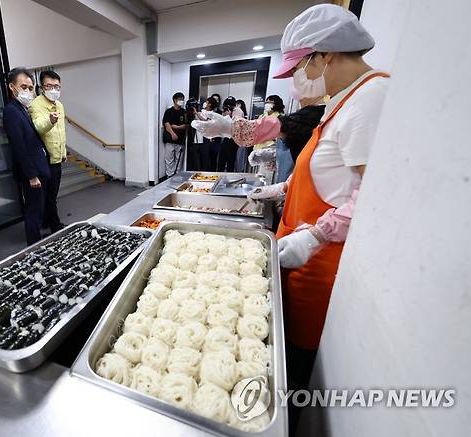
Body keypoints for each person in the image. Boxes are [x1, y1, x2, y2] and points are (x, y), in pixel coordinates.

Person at [193, 4, 389, 427]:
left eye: (298, 68)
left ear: (324, 56)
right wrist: (280, 188)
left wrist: (315, 237)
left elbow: (372, 197)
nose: (296, 83)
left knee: (295, 364)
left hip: (319, 265)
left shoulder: (370, 100)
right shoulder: (343, 100)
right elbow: (328, 176)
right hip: (297, 251)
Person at [2, 68, 51, 245]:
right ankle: (34, 245)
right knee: (33, 211)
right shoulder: (11, 111)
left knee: (38, 208)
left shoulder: (22, 109)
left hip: (38, 167)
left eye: (31, 88)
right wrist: (32, 175)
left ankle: (37, 239)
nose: (28, 91)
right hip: (32, 173)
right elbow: (19, 146)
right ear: (12, 87)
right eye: (24, 87)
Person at [30, 70, 66, 233]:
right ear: (41, 87)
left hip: (58, 158)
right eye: (49, 86)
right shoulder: (36, 104)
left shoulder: (59, 105)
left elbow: (62, 131)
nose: (53, 90)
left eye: (57, 86)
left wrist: (63, 151)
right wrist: (50, 121)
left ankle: (46, 221)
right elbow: (38, 126)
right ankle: (55, 225)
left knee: (52, 194)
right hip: (44, 159)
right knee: (49, 196)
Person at [162, 92, 187, 177]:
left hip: (180, 140)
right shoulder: (169, 111)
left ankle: (177, 176)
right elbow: (166, 123)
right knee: (169, 159)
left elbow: (186, 125)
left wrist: (176, 127)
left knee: (179, 160)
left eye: (183, 99)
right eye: (180, 99)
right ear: (175, 100)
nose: (182, 101)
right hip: (169, 139)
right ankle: (169, 176)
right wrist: (172, 133)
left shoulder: (184, 112)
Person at [217, 96, 239, 172]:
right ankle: (219, 175)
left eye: (230, 105)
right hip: (226, 137)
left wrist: (229, 115)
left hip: (233, 139)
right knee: (221, 160)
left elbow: (236, 124)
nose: (228, 106)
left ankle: (230, 178)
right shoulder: (226, 111)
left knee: (230, 161)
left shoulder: (237, 111)